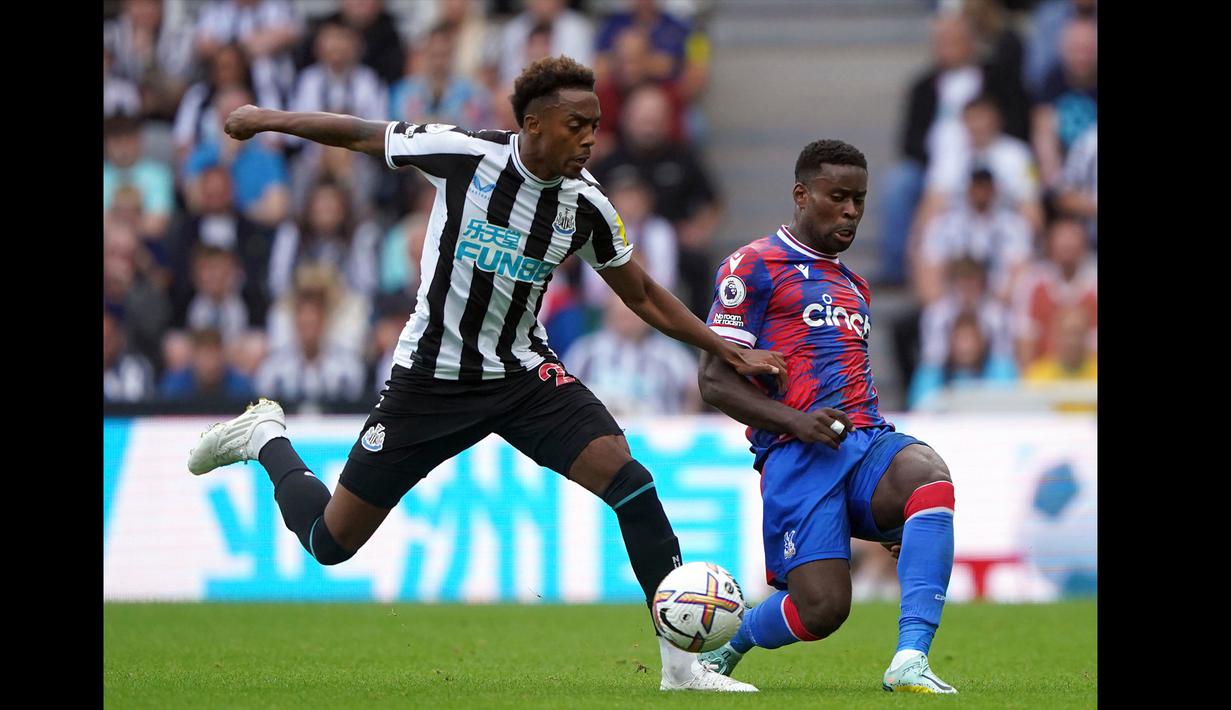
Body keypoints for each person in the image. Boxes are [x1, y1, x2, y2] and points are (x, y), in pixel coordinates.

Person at [186, 55, 788, 693]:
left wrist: (725, 347)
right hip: (430, 378)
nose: (590, 137)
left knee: (631, 482)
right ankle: (264, 438)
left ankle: (680, 671)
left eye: (596, 124)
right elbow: (361, 133)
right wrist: (266, 119)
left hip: (523, 377)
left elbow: (640, 295)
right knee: (331, 543)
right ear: (533, 124)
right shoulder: (463, 155)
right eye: (576, 124)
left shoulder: (586, 205)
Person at [695, 140, 959, 694]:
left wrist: (898, 508)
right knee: (824, 609)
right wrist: (796, 423)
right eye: (837, 197)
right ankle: (731, 641)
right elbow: (714, 382)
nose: (851, 211)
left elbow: (853, 388)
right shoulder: (754, 266)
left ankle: (910, 657)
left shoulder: (853, 285)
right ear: (801, 194)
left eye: (859, 200)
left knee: (927, 477)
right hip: (796, 455)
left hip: (864, 441)